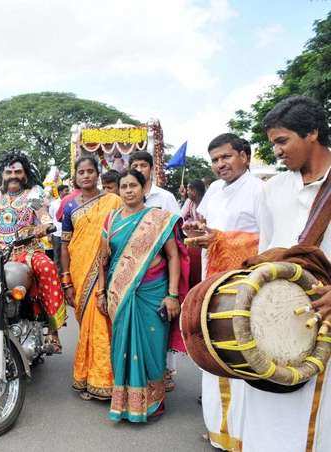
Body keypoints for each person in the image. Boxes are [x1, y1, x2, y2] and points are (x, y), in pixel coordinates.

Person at [242, 95, 331, 452]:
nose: (277, 151)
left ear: (312, 132)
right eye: (273, 143)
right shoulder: (273, 189)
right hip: (277, 320)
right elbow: (266, 250)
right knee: (269, 408)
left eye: (282, 141)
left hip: (324, 314)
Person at [184, 133, 263, 451]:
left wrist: (218, 238)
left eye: (226, 157)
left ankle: (244, 433)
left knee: (241, 356)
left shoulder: (259, 190)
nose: (220, 165)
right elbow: (208, 226)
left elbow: (267, 240)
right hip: (212, 282)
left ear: (245, 156)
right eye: (215, 160)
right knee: (214, 354)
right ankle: (218, 428)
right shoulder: (214, 190)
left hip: (243, 288)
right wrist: (199, 231)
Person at [102, 169, 188, 422]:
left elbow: (173, 256)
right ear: (118, 190)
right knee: (122, 348)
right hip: (119, 292)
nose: (128, 190)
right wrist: (100, 292)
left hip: (153, 292)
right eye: (124, 186)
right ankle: (127, 404)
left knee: (151, 349)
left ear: (143, 189)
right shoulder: (111, 219)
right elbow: (103, 261)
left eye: (133, 186)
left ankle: (154, 403)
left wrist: (173, 295)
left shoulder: (159, 219)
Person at [0, 151, 67, 346]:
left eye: (18, 172)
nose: (13, 176)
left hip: (28, 251)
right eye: (9, 172)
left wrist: (45, 225)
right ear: (2, 175)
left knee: (48, 267)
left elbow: (43, 215)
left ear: (25, 174)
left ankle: (53, 330)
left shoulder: (32, 193)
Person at [60, 156, 121, 400]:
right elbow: (65, 245)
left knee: (105, 324)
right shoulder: (70, 207)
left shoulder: (113, 201)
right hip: (79, 270)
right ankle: (86, 377)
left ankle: (106, 380)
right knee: (86, 326)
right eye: (81, 172)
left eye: (90, 171)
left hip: (108, 270)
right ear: (75, 177)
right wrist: (66, 280)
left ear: (98, 173)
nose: (85, 175)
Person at [49, 184, 70, 271]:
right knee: (57, 255)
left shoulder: (70, 202)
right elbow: (51, 217)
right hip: (56, 234)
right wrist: (49, 234)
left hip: (68, 233)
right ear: (60, 192)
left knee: (67, 255)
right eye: (66, 191)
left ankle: (66, 274)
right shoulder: (53, 204)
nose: (68, 192)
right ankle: (58, 277)